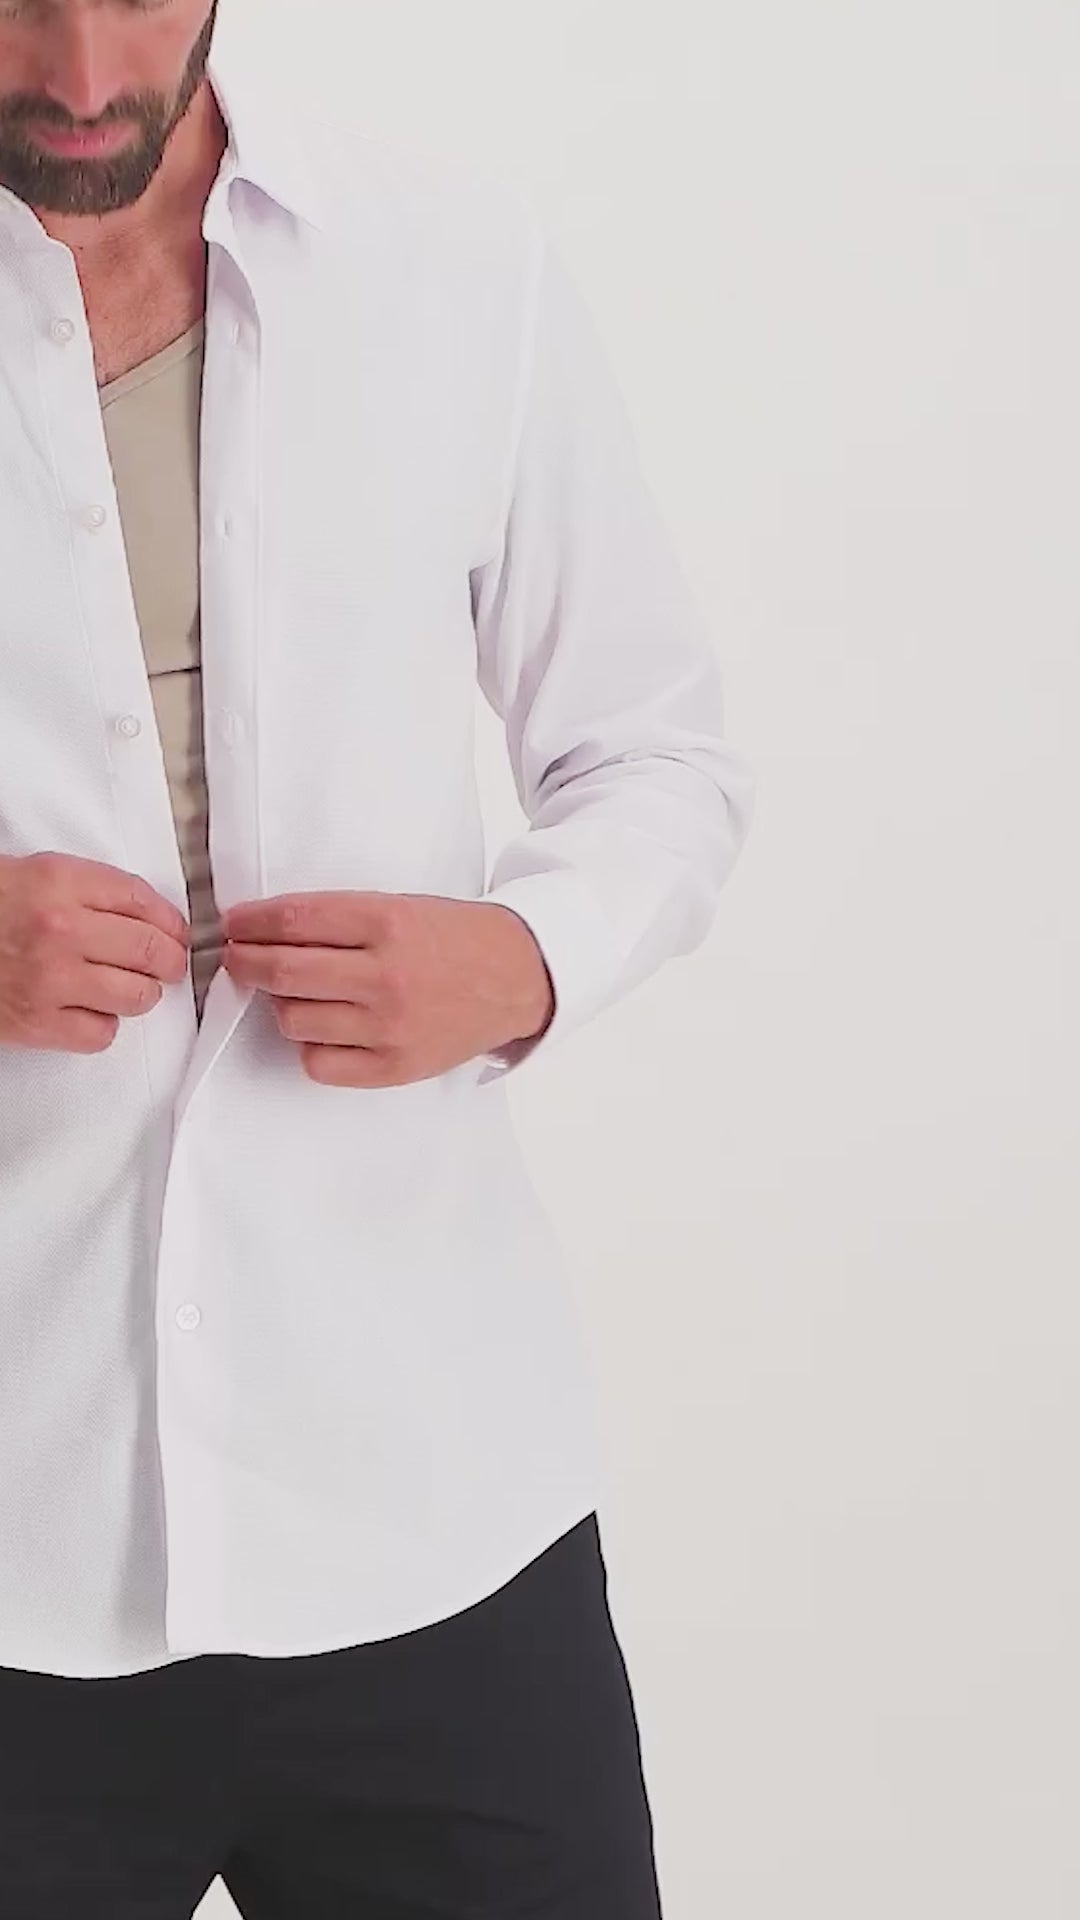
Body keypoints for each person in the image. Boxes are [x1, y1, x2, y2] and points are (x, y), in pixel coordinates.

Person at [0, 1, 755, 1914]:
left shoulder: (450, 264)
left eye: (131, 2)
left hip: (430, 1517)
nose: (80, 80)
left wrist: (527, 955)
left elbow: (654, 753)